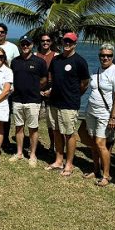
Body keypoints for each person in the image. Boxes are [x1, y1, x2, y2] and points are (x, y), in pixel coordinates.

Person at [45, 32, 90, 176]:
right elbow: (54, 79)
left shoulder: (80, 61)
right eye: (65, 41)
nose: (67, 43)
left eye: (70, 41)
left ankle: (69, 164)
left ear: (75, 44)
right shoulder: (56, 60)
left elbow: (84, 83)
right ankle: (59, 160)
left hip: (69, 104)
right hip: (54, 102)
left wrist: (75, 95)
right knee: (56, 131)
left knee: (69, 134)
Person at [83, 44, 115, 186]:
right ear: (99, 56)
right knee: (93, 142)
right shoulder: (96, 70)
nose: (105, 58)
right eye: (102, 55)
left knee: (101, 144)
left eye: (109, 55)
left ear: (112, 56)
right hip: (91, 111)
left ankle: (106, 175)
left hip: (105, 113)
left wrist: (113, 117)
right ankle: (96, 170)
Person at [9, 35, 48, 167]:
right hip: (17, 99)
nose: (25, 46)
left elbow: (44, 79)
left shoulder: (39, 61)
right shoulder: (15, 62)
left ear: (32, 45)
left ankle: (32, 155)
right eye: (23, 44)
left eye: (28, 44)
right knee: (19, 127)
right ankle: (19, 153)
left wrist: (35, 88)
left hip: (33, 100)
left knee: (33, 128)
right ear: (20, 45)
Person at [35, 32, 58, 153]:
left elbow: (58, 76)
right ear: (40, 42)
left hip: (51, 89)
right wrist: (36, 90)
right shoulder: (35, 55)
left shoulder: (56, 56)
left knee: (51, 122)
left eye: (48, 40)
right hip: (37, 88)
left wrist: (51, 90)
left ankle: (53, 146)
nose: (45, 43)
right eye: (43, 40)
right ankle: (34, 143)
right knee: (34, 120)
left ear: (51, 42)